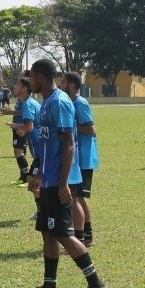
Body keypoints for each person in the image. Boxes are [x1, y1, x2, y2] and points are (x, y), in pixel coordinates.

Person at [23, 59, 108, 288]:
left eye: (32, 77)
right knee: (47, 232)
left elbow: (69, 144)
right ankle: (50, 285)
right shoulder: (46, 103)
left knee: (62, 234)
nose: (30, 82)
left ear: (40, 76)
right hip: (48, 179)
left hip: (61, 180)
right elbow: (46, 145)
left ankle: (95, 283)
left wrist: (63, 184)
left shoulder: (59, 102)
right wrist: (37, 173)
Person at [61, 72, 99, 247]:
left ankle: (80, 239)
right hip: (77, 158)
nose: (60, 84)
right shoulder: (70, 102)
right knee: (79, 198)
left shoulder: (80, 102)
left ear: (70, 85)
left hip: (83, 158)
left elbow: (91, 129)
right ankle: (87, 236)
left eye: (63, 81)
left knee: (76, 198)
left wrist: (70, 128)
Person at [0, 80, 32, 186]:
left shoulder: (27, 100)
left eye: (18, 84)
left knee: (19, 152)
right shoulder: (20, 98)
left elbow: (26, 112)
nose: (14, 86)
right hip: (17, 126)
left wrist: (11, 112)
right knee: (17, 151)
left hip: (22, 127)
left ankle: (26, 178)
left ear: (24, 88)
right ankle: (23, 177)